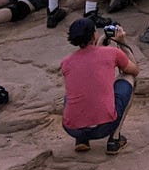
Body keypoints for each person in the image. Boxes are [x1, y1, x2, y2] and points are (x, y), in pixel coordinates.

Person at [59, 18, 139, 154]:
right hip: (104, 126)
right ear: (94, 35)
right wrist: (122, 43)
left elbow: (90, 64)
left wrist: (99, 45)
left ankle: (81, 139)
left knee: (74, 91)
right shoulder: (111, 53)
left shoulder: (66, 62)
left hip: (72, 128)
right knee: (130, 78)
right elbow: (134, 70)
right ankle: (114, 139)